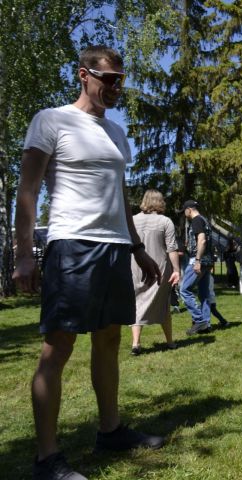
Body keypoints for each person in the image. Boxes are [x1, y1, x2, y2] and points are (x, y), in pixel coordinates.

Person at [12, 45, 164, 480]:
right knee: (57, 348)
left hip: (114, 245)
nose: (116, 87)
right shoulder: (52, 120)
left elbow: (118, 194)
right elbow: (28, 189)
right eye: (108, 79)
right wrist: (25, 253)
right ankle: (47, 457)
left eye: (121, 79)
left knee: (110, 340)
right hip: (72, 245)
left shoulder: (116, 133)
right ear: (84, 75)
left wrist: (135, 246)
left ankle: (110, 430)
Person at [130, 190, 182, 355]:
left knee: (136, 303)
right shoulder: (165, 222)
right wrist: (176, 270)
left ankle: (136, 343)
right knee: (164, 306)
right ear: (160, 202)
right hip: (159, 270)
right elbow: (172, 248)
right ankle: (170, 342)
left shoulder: (131, 220)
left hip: (135, 268)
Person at [179, 199, 214, 335]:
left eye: (184, 212)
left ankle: (199, 321)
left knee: (184, 290)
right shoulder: (205, 221)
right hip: (208, 260)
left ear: (189, 209)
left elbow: (202, 240)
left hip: (198, 260)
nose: (184, 214)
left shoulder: (196, 220)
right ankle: (206, 324)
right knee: (204, 294)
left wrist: (197, 260)